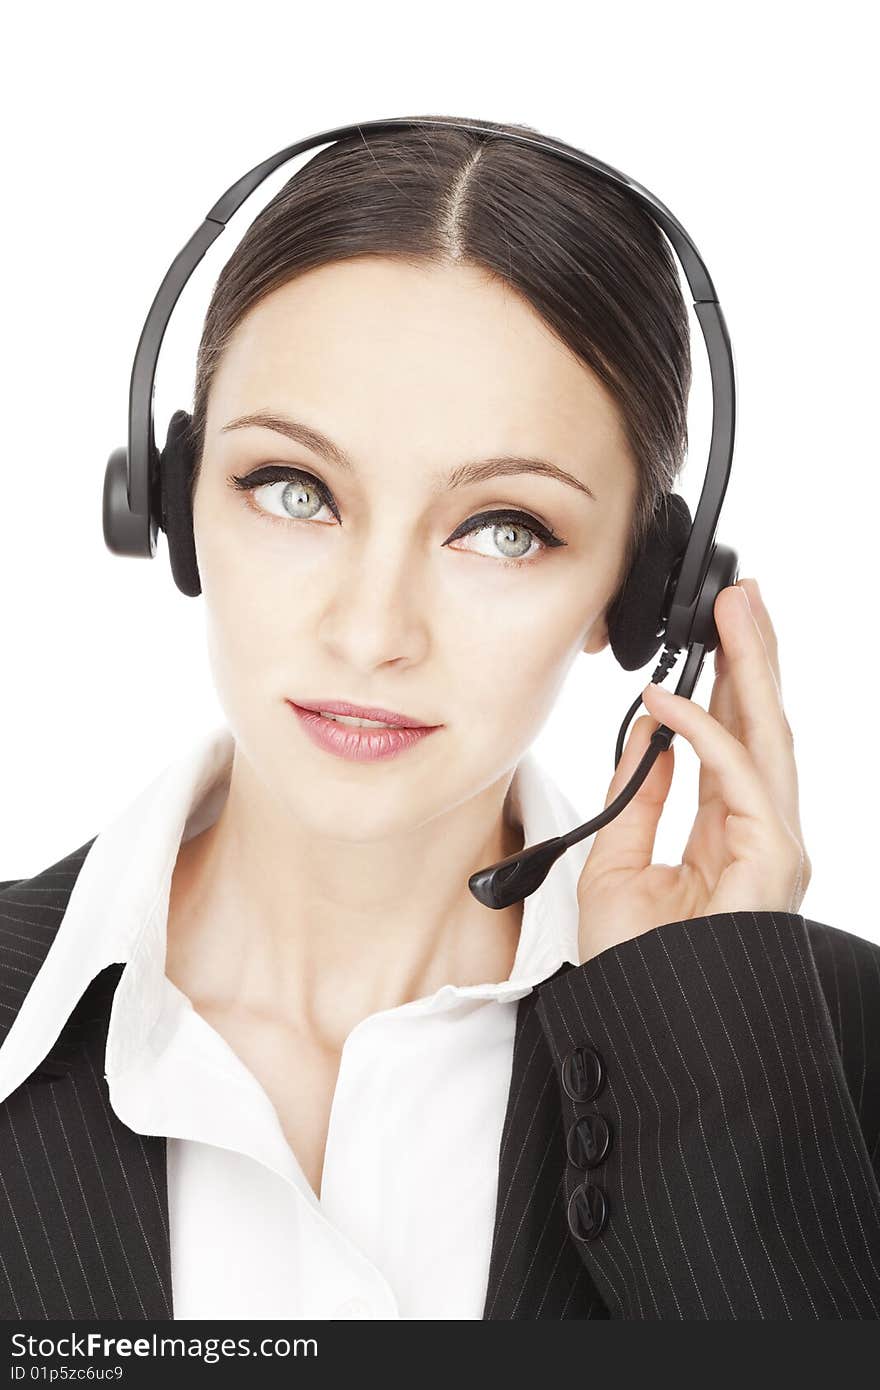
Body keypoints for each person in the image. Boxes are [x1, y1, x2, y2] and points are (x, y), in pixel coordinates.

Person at [1, 117, 878, 1322]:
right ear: (172, 504)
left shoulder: (835, 1045)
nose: (372, 632)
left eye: (504, 528)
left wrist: (707, 1048)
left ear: (638, 593)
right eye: (294, 489)